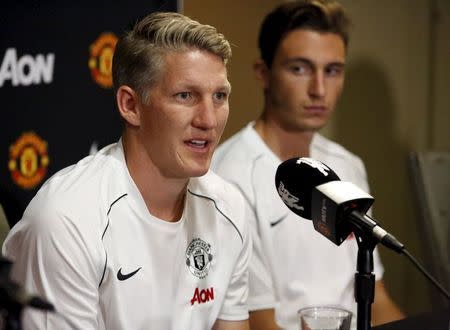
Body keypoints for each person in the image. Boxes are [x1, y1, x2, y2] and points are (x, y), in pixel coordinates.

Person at [2, 12, 251, 330]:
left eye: (219, 96)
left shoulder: (230, 207)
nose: (209, 120)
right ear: (131, 105)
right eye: (185, 96)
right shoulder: (67, 220)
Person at [211, 1, 405, 329]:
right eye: (299, 69)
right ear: (263, 73)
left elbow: (378, 299)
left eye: (332, 71)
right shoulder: (229, 176)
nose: (319, 90)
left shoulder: (349, 165)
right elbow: (257, 321)